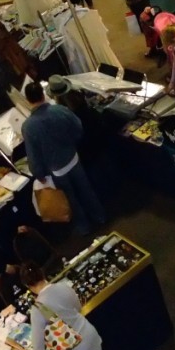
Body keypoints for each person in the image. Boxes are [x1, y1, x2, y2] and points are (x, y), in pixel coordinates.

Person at [21, 81, 106, 236]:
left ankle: (83, 227)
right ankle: (100, 216)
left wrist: (39, 174)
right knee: (86, 190)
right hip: (73, 159)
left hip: (57, 170)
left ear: (28, 100)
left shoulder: (28, 127)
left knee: (70, 199)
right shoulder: (60, 110)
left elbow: (33, 154)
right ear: (43, 94)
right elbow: (78, 127)